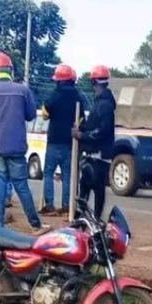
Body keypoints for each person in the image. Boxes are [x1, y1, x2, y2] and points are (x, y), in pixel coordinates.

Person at [0, 51, 47, 232]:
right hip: (17, 146)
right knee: (21, 185)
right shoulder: (23, 90)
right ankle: (35, 224)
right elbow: (30, 116)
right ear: (10, 70)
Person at [40, 64, 85, 216]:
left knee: (48, 173)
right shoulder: (78, 96)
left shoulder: (54, 95)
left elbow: (45, 113)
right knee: (67, 176)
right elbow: (82, 118)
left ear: (59, 80)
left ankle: (50, 206)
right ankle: (67, 207)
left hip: (54, 141)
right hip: (70, 142)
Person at [74, 65, 116, 219]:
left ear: (95, 83)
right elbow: (92, 125)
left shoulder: (105, 105)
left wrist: (82, 136)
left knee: (97, 189)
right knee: (84, 186)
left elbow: (102, 131)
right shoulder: (99, 103)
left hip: (99, 156)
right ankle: (80, 217)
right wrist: (81, 128)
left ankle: (96, 219)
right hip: (92, 155)